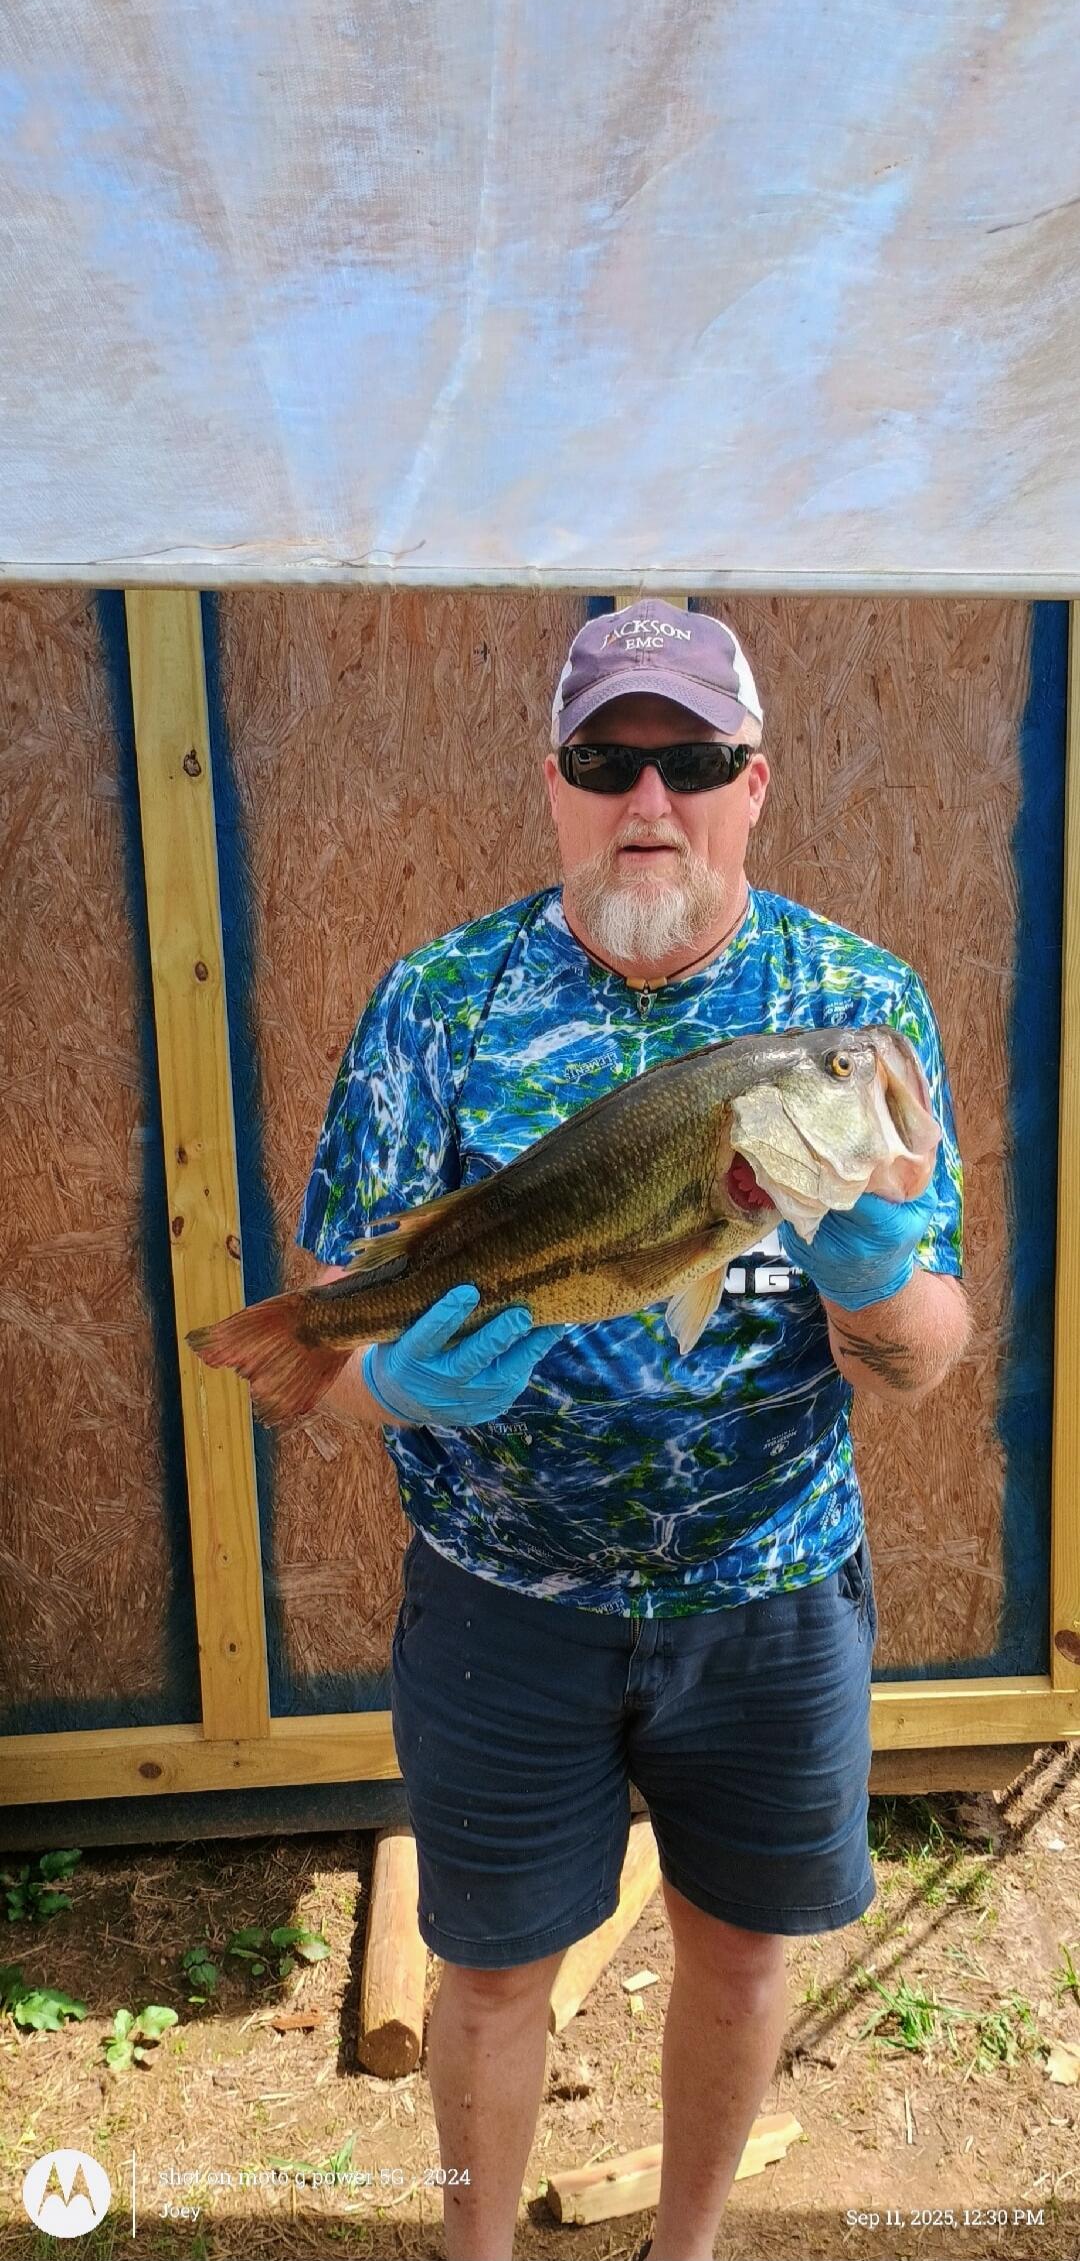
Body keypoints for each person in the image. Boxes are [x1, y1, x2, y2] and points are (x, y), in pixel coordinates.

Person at [296, 598, 971, 2261]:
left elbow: (932, 1355)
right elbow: (318, 1322)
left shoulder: (855, 1007)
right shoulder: (438, 1000)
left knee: (740, 1951)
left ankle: (688, 2249)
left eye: (693, 758)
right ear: (554, 783)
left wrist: (876, 1286)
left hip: (773, 1591)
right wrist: (384, 1377)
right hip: (501, 1605)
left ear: (757, 783)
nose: (648, 796)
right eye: (610, 759)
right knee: (495, 1969)